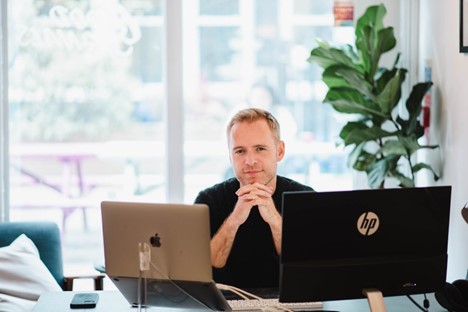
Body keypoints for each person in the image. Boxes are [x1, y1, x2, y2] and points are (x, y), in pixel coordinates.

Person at [194, 108, 314, 289]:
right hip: (226, 306)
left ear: (279, 151)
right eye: (240, 151)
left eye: (260, 149)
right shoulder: (209, 200)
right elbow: (200, 272)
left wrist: (274, 219)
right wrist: (234, 219)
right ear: (230, 156)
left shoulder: (304, 198)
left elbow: (309, 271)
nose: (250, 161)